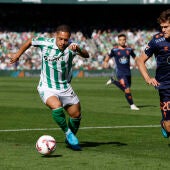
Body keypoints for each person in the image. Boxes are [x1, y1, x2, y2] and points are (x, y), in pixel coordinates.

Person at [9, 25, 89, 150]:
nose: (63, 42)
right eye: (60, 39)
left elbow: (86, 55)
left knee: (76, 115)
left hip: (65, 86)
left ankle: (69, 138)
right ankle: (68, 134)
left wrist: (78, 49)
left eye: (66, 40)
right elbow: (30, 41)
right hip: (47, 86)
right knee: (57, 107)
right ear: (55, 36)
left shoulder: (72, 47)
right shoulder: (45, 43)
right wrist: (18, 54)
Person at [136, 9, 170, 138]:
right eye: (162, 27)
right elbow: (140, 61)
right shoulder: (157, 40)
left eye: (166, 27)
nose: (163, 30)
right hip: (165, 86)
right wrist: (147, 78)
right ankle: (163, 123)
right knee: (169, 127)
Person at [103, 33, 140, 110]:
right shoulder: (114, 50)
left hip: (128, 73)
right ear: (118, 41)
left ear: (125, 40)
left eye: (124, 40)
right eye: (120, 40)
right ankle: (132, 105)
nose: (122, 41)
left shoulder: (129, 49)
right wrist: (105, 62)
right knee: (127, 89)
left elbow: (135, 57)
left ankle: (113, 81)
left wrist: (140, 62)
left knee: (126, 89)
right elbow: (108, 57)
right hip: (120, 73)